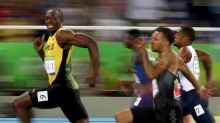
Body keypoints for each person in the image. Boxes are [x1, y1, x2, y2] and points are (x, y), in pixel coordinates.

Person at [12, 8, 99, 123]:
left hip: (60, 90)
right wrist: (40, 52)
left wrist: (94, 74)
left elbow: (91, 43)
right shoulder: (50, 40)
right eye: (47, 18)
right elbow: (52, 69)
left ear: (61, 19)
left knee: (18, 103)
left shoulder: (61, 34)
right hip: (67, 92)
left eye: (54, 18)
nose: (50, 21)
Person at [115, 27, 183, 123]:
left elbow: (151, 75)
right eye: (152, 38)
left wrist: (143, 52)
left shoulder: (169, 56)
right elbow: (150, 72)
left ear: (166, 43)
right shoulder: (161, 59)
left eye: (155, 39)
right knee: (121, 117)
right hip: (156, 108)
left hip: (169, 109)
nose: (151, 41)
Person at [174, 26, 215, 123]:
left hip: (193, 98)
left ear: (185, 39)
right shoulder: (194, 52)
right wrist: (209, 81)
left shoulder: (183, 51)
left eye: (178, 34)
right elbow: (207, 58)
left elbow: (171, 66)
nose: (175, 35)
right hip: (187, 98)